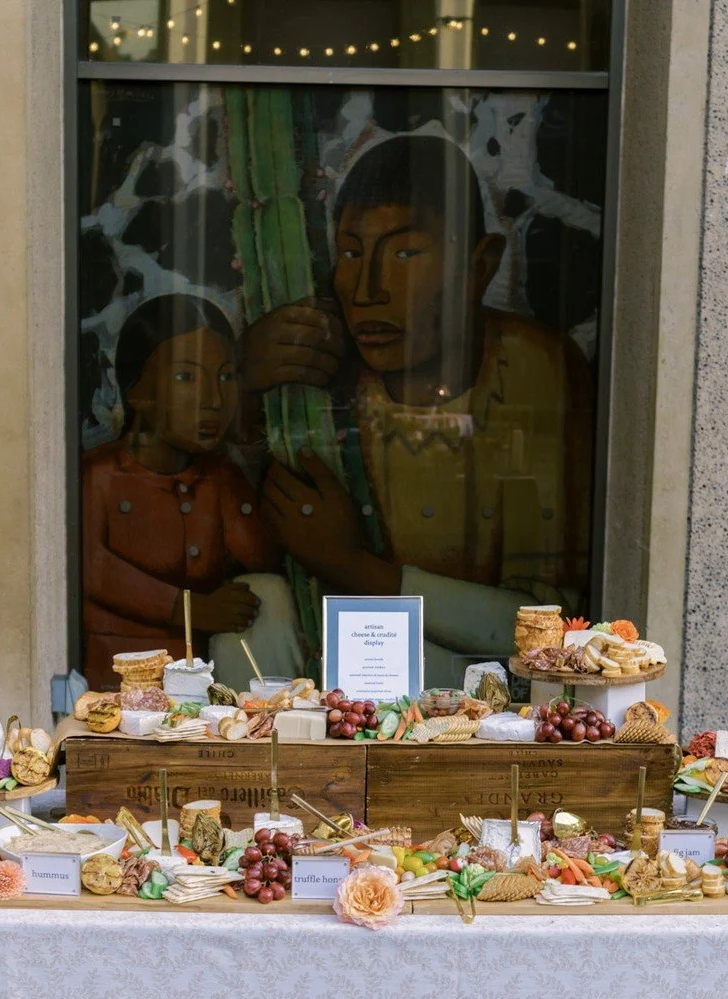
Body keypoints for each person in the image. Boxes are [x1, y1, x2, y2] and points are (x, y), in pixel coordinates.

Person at [243, 135, 594, 685]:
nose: (368, 290)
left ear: (480, 267)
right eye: (352, 253)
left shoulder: (532, 369)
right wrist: (241, 386)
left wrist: (352, 568)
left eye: (405, 253)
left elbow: (542, 633)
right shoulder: (322, 369)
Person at [81, 294, 281, 689]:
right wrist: (188, 609)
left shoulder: (219, 475)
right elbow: (92, 569)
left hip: (203, 687)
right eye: (186, 377)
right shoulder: (100, 475)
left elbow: (262, 560)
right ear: (137, 391)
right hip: (116, 682)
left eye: (225, 377)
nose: (212, 400)